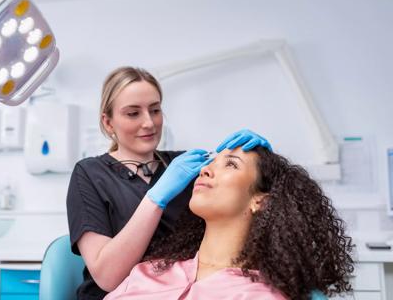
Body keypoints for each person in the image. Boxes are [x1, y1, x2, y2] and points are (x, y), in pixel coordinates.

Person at [66, 66, 272, 299]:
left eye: (155, 110)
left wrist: (264, 164)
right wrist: (156, 197)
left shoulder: (188, 167)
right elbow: (107, 276)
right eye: (133, 113)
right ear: (108, 123)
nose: (149, 123)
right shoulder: (90, 174)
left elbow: (249, 201)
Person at [104, 146, 355, 300]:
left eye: (231, 164)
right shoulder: (148, 272)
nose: (205, 171)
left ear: (261, 201)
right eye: (210, 163)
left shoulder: (262, 295)